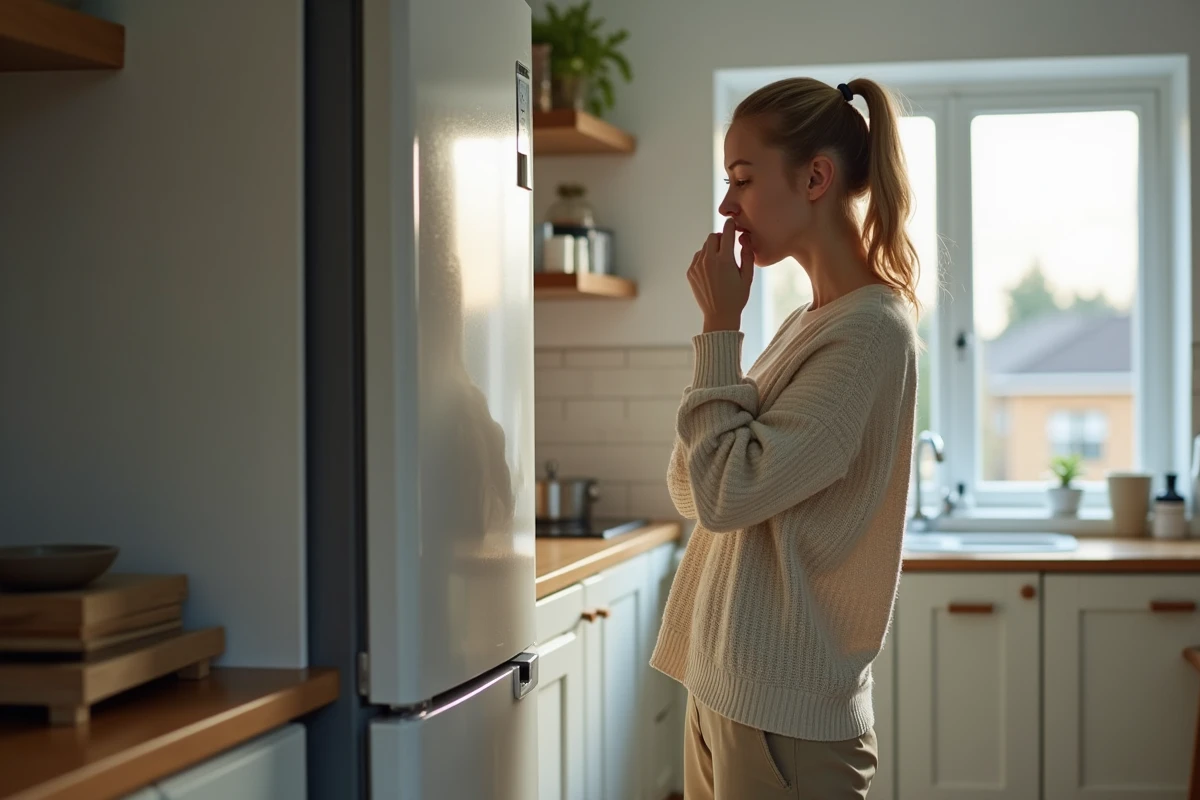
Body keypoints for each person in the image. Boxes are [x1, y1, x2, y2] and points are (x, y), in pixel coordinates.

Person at [649, 77, 921, 799]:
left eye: (742, 178)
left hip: (783, 721)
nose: (726, 205)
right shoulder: (810, 323)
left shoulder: (868, 333)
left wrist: (718, 329)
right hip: (728, 695)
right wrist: (722, 340)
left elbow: (721, 492)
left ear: (816, 178)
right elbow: (692, 482)